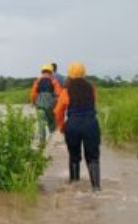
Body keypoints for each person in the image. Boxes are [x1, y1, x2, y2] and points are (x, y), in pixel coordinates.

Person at [54, 62, 101, 191]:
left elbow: (58, 111)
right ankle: (96, 188)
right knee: (93, 157)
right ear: (84, 74)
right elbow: (93, 104)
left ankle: (74, 183)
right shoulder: (92, 89)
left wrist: (62, 126)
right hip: (91, 124)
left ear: (69, 75)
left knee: (74, 155)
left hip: (73, 125)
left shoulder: (65, 91)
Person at [29, 63, 62, 144]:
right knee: (52, 123)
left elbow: (33, 93)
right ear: (51, 71)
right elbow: (58, 93)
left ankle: (42, 142)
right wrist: (56, 103)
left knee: (41, 123)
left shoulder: (37, 81)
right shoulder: (54, 81)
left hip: (40, 104)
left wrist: (33, 102)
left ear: (42, 71)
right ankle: (53, 140)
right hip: (51, 105)